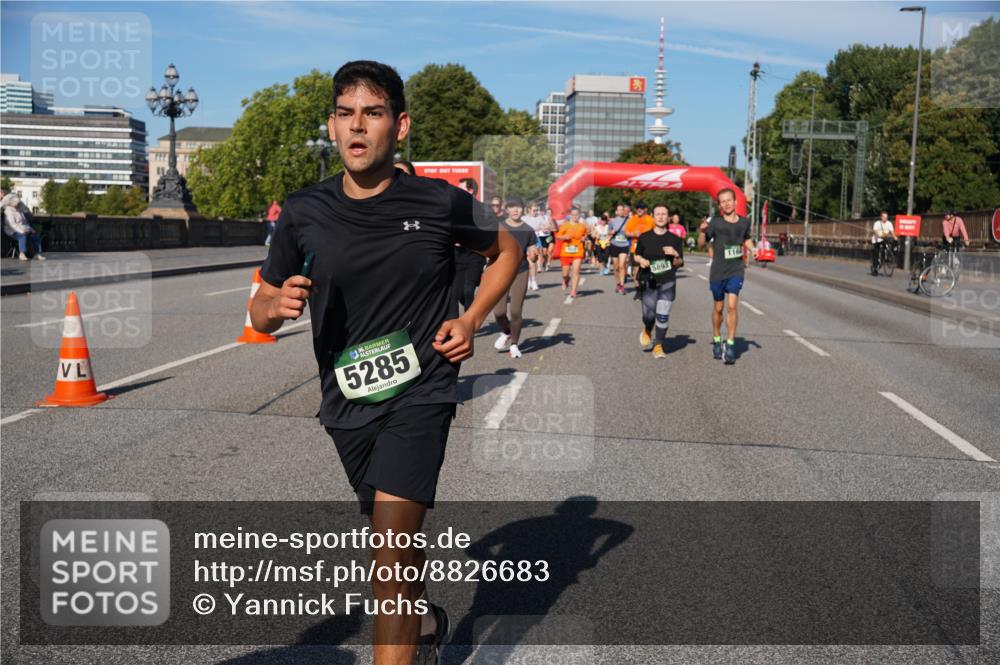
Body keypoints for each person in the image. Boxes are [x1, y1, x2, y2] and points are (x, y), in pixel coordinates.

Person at [250, 60, 520, 665]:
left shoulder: (440, 201)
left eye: (371, 114)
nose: (356, 127)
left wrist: (471, 319)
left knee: (390, 552)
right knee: (388, 538)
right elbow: (260, 306)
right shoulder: (302, 211)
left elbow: (508, 250)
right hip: (347, 400)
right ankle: (421, 617)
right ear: (332, 124)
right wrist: (278, 307)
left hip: (421, 391)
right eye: (345, 114)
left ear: (399, 126)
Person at [697, 189, 754, 364]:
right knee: (719, 308)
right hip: (718, 271)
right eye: (723, 201)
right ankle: (716, 339)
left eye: (730, 200)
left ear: (736, 202)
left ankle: (730, 345)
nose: (727, 203)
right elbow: (700, 245)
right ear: (719, 205)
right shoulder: (715, 223)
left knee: (732, 306)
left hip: (736, 269)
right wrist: (701, 231)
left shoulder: (744, 222)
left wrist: (754, 249)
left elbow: (747, 239)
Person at [634, 204, 684, 359]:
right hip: (649, 281)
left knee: (662, 315)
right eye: (658, 214)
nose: (661, 217)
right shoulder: (644, 237)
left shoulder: (674, 239)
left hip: (667, 281)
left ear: (668, 217)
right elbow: (636, 255)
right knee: (648, 316)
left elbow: (679, 263)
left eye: (664, 214)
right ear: (653, 216)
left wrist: (675, 255)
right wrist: (641, 260)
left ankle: (658, 345)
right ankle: (648, 328)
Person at [492, 196, 540, 359]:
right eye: (512, 207)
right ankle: (506, 332)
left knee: (515, 311)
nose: (515, 210)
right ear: (507, 210)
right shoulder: (500, 227)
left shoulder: (527, 230)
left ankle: (514, 344)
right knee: (498, 312)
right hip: (501, 272)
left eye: (518, 207)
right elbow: (491, 249)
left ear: (523, 210)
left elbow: (533, 251)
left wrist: (533, 255)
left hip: (520, 271)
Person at [453, 178, 489, 312]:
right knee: (459, 293)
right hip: (456, 254)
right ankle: (472, 313)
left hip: (475, 254)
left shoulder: (482, 209)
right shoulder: (453, 208)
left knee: (468, 291)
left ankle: (469, 328)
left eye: (460, 188)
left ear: (470, 190)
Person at [1, 191, 44, 261]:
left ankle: (37, 254)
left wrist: (30, 229)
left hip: (23, 228)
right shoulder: (8, 211)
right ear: (12, 203)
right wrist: (21, 231)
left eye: (18, 204)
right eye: (17, 204)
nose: (18, 205)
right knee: (22, 236)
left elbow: (24, 223)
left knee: (35, 236)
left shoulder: (19, 210)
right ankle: (22, 254)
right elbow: (12, 224)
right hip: (11, 230)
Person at [556, 206, 588, 299]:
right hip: (566, 252)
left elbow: (585, 234)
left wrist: (584, 238)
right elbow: (558, 236)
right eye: (573, 215)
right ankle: (566, 280)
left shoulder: (582, 226)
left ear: (579, 215)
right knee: (565, 274)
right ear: (570, 215)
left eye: (576, 215)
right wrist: (565, 237)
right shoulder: (565, 225)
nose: (575, 216)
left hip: (578, 251)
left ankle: (573, 290)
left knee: (576, 270)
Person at [625, 201, 654, 298]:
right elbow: (626, 232)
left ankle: (648, 288)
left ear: (645, 209)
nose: (639, 209)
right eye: (637, 207)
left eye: (641, 207)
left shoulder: (650, 219)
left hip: (649, 248)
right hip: (636, 248)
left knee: (649, 269)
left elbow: (656, 232)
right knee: (635, 271)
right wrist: (634, 234)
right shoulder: (632, 219)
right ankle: (639, 291)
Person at [608, 203, 631, 293]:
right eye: (619, 210)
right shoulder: (612, 221)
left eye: (622, 209)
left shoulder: (628, 220)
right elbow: (608, 232)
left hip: (624, 245)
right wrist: (611, 232)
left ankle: (622, 285)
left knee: (622, 266)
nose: (621, 211)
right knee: (616, 267)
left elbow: (631, 230)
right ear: (616, 211)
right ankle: (618, 283)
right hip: (614, 245)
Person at [869, 211, 895, 276]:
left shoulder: (889, 223)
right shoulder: (877, 223)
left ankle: (886, 257)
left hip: (884, 239)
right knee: (876, 253)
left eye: (886, 217)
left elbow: (892, 231)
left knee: (887, 248)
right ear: (881, 217)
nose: (885, 218)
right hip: (877, 240)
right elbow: (875, 230)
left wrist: (895, 237)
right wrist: (878, 235)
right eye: (883, 217)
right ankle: (875, 268)